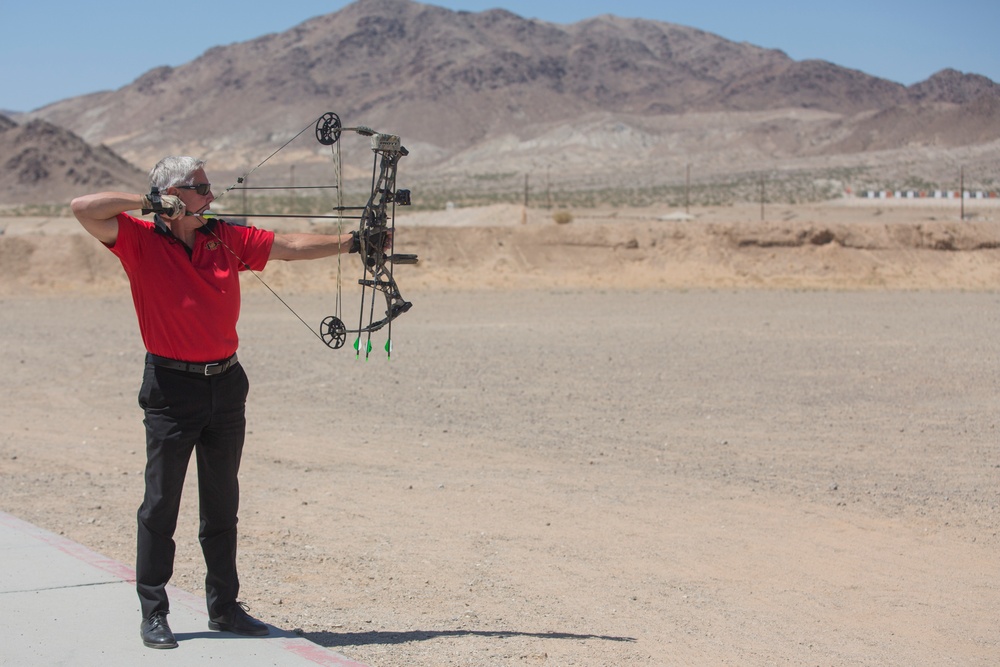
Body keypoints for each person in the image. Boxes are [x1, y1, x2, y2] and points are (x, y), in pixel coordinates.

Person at [70, 156, 376, 649]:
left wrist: (352, 243)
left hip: (226, 383)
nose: (211, 196)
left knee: (221, 503)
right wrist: (149, 203)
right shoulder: (138, 238)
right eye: (201, 188)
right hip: (171, 389)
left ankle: (224, 608)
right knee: (160, 504)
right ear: (172, 195)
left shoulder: (221, 236)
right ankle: (154, 611)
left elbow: (288, 245)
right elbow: (83, 208)